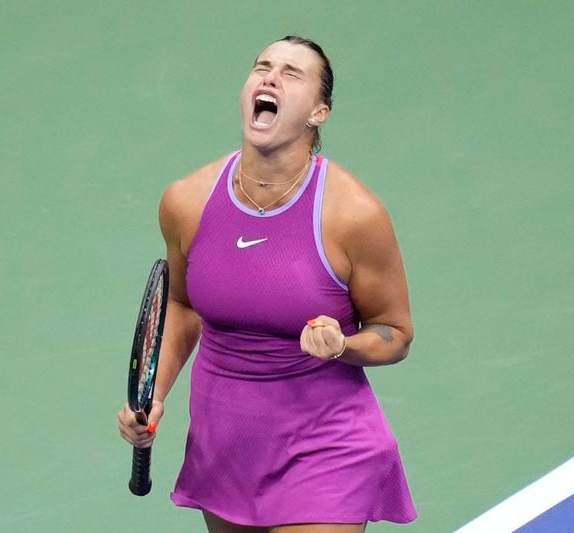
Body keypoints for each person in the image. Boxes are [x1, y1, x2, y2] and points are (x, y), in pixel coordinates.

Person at [117, 35, 417, 532]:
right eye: (262, 67)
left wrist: (342, 345)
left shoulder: (353, 215)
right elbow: (181, 305)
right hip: (226, 447)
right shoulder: (187, 201)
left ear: (319, 112)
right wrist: (154, 395)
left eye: (292, 73)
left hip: (326, 448)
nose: (270, 78)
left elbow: (395, 332)